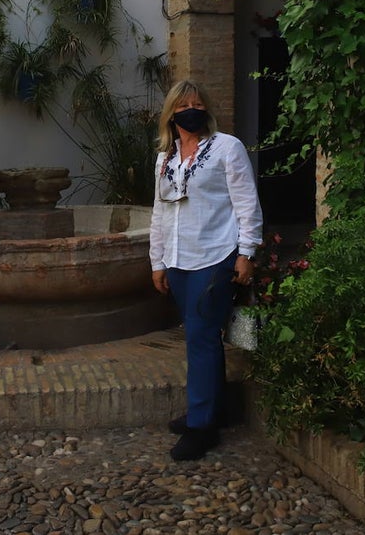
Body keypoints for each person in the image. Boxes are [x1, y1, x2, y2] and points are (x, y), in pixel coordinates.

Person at [149, 79, 263, 461]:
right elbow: (159, 211)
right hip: (179, 259)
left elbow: (246, 203)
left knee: (199, 337)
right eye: (184, 105)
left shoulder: (226, 148)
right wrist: (157, 261)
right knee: (203, 338)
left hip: (215, 256)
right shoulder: (165, 157)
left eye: (198, 103)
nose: (191, 110)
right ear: (172, 113)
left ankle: (201, 427)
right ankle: (215, 410)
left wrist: (246, 253)